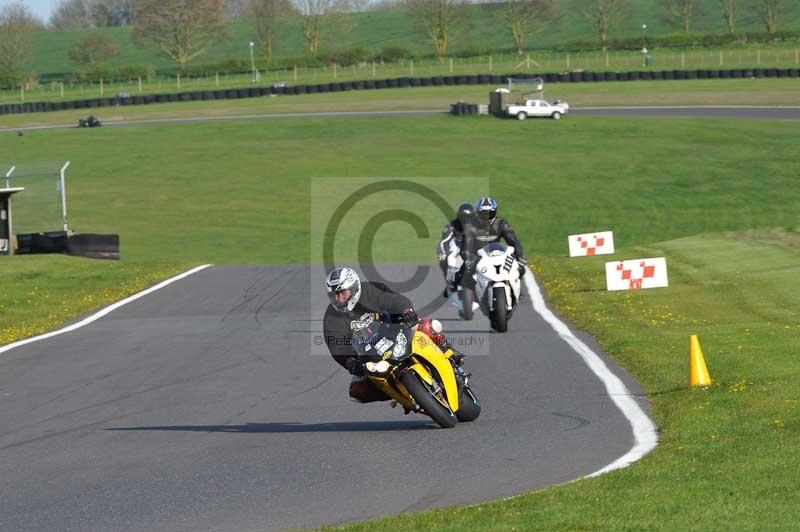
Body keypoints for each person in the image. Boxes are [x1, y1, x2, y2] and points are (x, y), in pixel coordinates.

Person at [323, 266, 419, 403]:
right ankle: (400, 395)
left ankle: (451, 355)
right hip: (369, 354)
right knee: (358, 391)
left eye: (343, 293)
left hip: (396, 331)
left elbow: (394, 300)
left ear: (354, 288)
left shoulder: (370, 291)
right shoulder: (332, 316)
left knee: (428, 326)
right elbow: (336, 344)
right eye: (334, 295)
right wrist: (350, 362)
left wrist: (406, 311)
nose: (339, 299)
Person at [462, 197, 528, 283]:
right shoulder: (470, 225)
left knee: (520, 269)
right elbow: (466, 246)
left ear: (495, 212)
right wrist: (468, 259)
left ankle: (515, 291)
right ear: (478, 213)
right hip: (477, 257)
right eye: (483, 213)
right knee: (465, 274)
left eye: (490, 213)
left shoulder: (501, 223)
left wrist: (520, 256)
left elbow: (513, 240)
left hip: (496, 253)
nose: (487, 217)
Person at [436, 202, 475, 297]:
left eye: (468, 217)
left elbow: (487, 239)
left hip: (474, 249)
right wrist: (442, 253)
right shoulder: (451, 225)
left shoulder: (478, 225)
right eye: (463, 217)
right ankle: (450, 283)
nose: (466, 220)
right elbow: (443, 242)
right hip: (457, 250)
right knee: (448, 261)